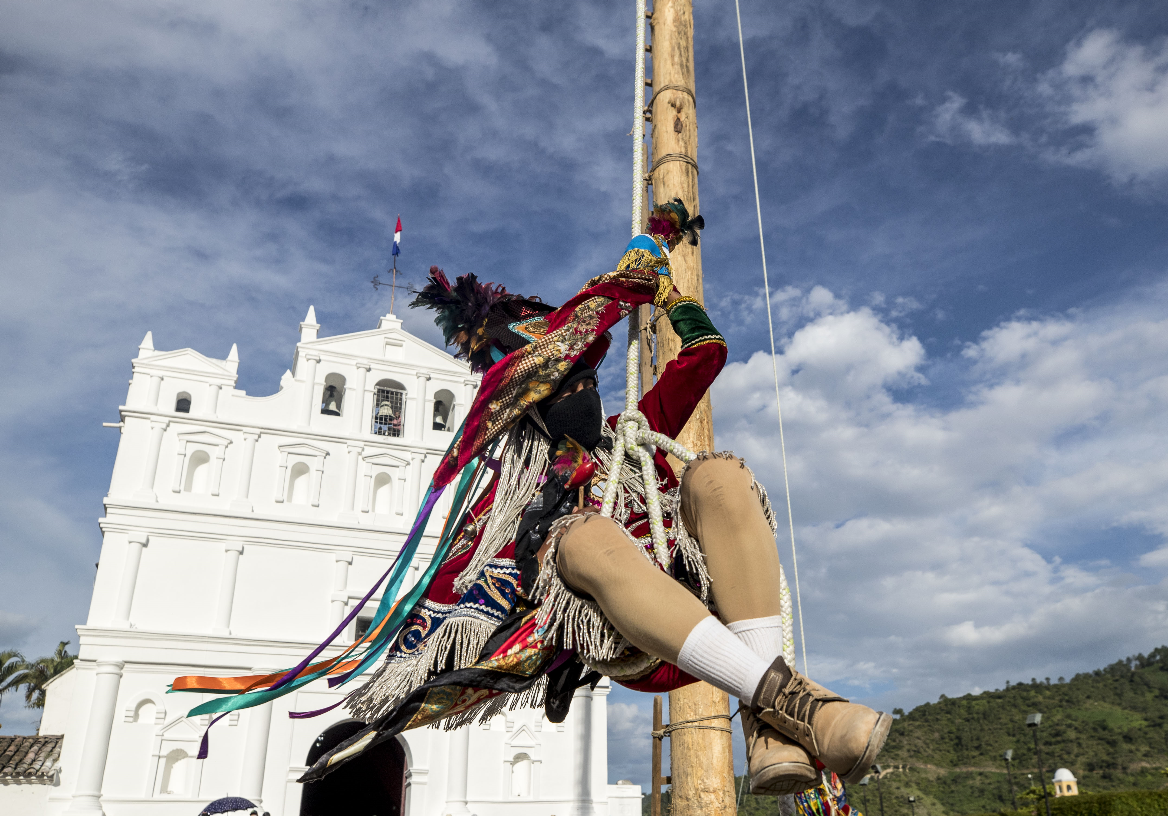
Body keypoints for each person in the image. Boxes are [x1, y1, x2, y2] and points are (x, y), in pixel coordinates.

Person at [175, 200, 888, 796]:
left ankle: (768, 732)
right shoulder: (508, 467)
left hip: (693, 592)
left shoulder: (626, 439)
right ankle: (796, 700)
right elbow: (578, 323)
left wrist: (667, 291)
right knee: (580, 537)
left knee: (719, 475)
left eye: (586, 381)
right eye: (565, 383)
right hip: (617, 627)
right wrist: (642, 257)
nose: (583, 389)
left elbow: (707, 355)